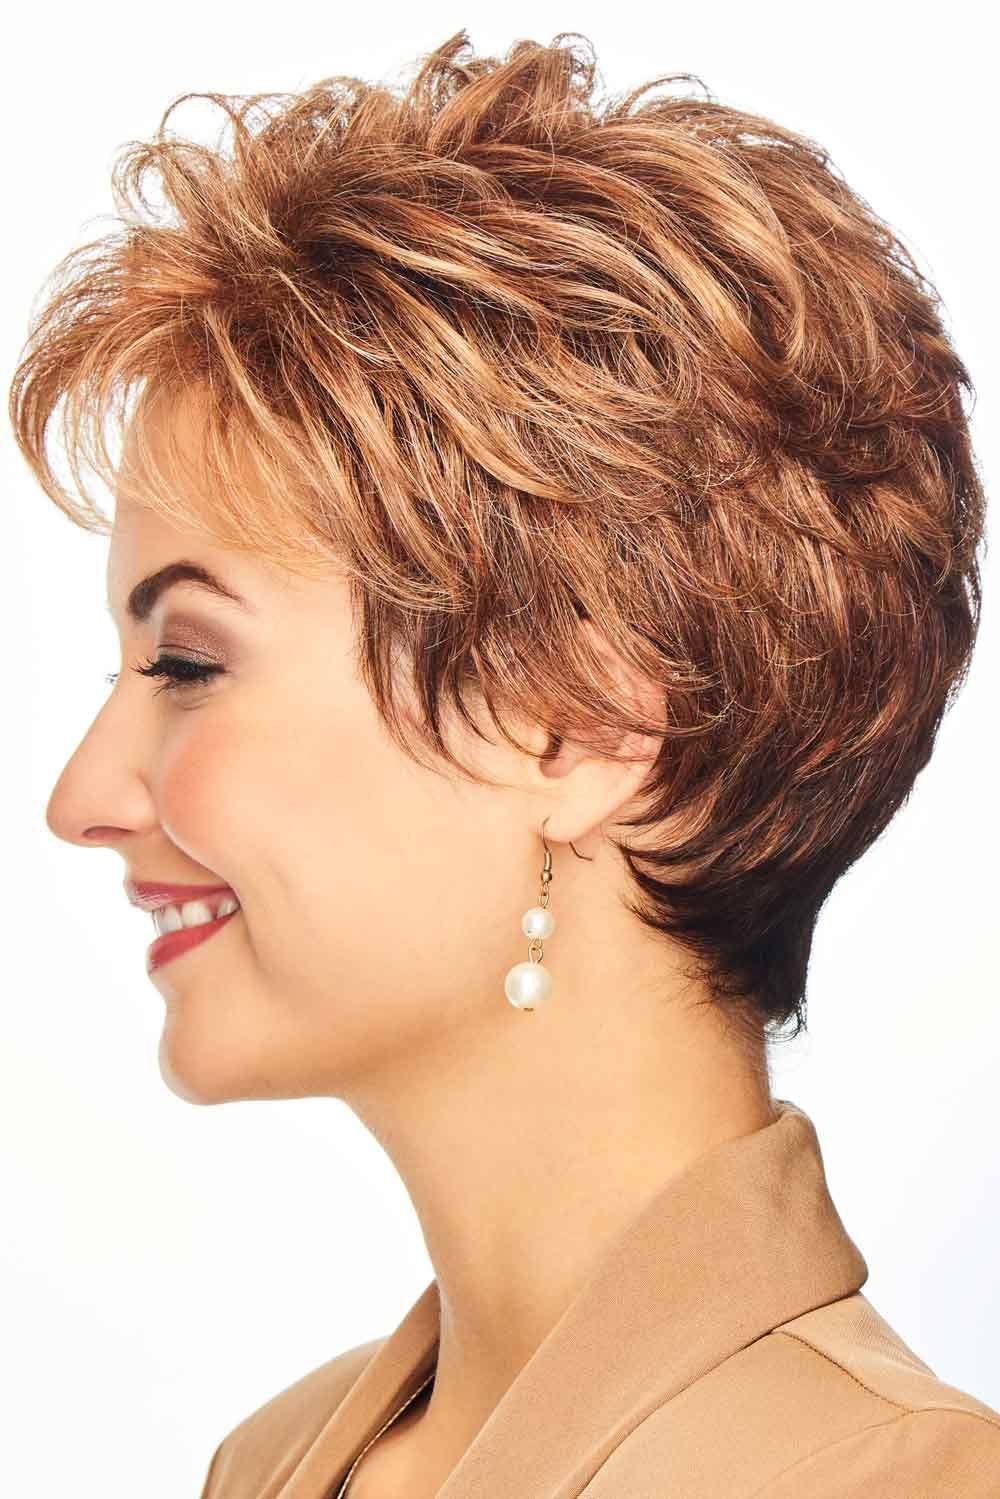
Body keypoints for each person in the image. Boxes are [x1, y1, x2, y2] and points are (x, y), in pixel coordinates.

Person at [9, 27, 998, 1498]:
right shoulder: (269, 1464)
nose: (81, 801)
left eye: (189, 666)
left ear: (578, 724)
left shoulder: (888, 1480)